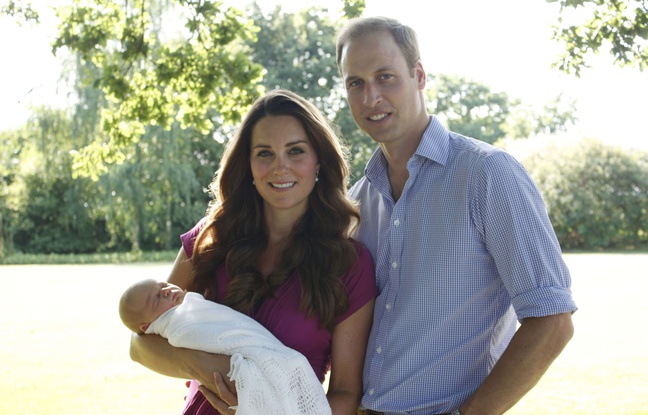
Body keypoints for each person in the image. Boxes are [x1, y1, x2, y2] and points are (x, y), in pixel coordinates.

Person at [335, 16, 578, 415]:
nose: (370, 97)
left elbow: (552, 319)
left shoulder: (487, 173)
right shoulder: (358, 202)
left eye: (385, 77)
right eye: (355, 83)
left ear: (418, 76)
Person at [128, 89, 377, 415]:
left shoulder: (349, 264)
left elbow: (346, 392)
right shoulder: (211, 237)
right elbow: (140, 344)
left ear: (319, 161)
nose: (280, 167)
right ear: (247, 164)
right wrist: (209, 367)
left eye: (296, 151)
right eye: (265, 153)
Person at [119, 278, 331, 415]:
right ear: (147, 326)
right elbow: (137, 347)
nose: (166, 291)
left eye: (163, 286)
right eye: (156, 299)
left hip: (273, 361)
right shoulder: (177, 326)